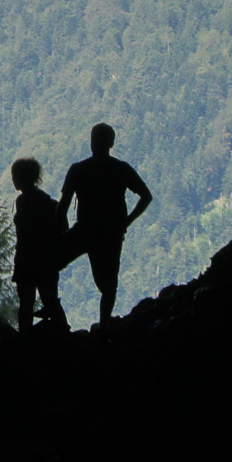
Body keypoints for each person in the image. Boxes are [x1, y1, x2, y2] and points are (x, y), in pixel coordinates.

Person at [57, 123, 153, 330]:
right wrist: (126, 221)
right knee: (108, 287)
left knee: (50, 263)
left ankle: (54, 311)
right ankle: (104, 329)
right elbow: (146, 197)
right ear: (111, 143)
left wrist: (59, 234)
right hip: (110, 233)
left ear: (92, 142)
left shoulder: (79, 169)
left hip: (84, 230)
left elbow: (63, 207)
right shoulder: (120, 169)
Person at [10, 157, 68, 332]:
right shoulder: (47, 203)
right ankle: (63, 335)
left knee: (26, 305)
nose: (13, 179)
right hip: (46, 261)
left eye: (15, 176)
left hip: (27, 260)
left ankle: (25, 342)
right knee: (50, 301)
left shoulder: (22, 202)